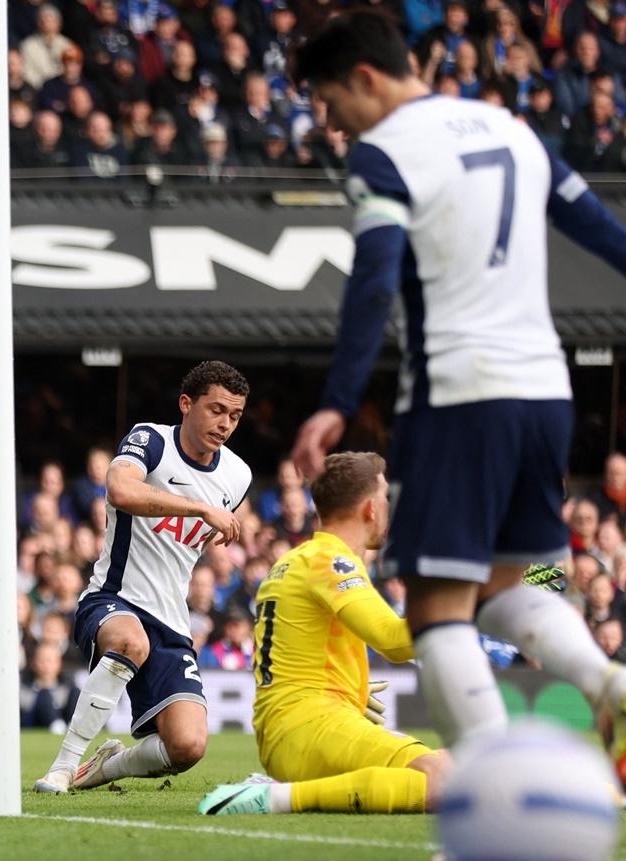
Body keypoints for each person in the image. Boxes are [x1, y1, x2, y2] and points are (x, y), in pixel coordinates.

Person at [289, 11, 626, 766]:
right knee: (510, 584)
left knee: (438, 609)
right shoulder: (511, 130)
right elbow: (604, 230)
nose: (335, 127)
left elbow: (373, 282)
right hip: (546, 394)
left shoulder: (384, 153)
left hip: (456, 393)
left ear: (366, 80)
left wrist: (339, 398)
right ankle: (606, 679)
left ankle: (496, 791)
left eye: (333, 106)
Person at [34, 361, 252, 793]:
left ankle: (105, 767)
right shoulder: (150, 440)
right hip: (113, 599)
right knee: (132, 641)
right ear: (186, 405)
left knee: (187, 746)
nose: (225, 424)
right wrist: (199, 508)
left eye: (235, 415)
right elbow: (120, 491)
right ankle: (63, 765)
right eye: (216, 410)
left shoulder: (238, 475)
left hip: (172, 621)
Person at [200, 452, 448, 815]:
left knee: (457, 767)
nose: (387, 506)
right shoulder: (331, 561)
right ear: (369, 509)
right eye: (384, 497)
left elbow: (300, 647)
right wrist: (470, 602)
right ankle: (274, 799)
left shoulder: (298, 560)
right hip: (308, 726)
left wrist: (353, 691)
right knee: (445, 783)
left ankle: (284, 788)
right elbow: (394, 641)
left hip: (296, 727)